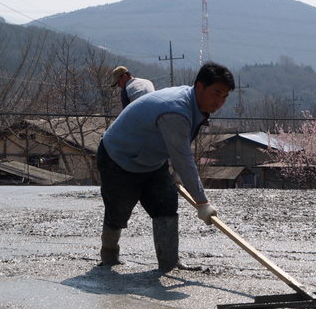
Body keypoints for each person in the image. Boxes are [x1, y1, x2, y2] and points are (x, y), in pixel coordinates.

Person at [97, 61, 235, 272]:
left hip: (152, 161)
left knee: (166, 206)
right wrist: (202, 202)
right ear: (199, 86)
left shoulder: (194, 105)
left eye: (224, 97)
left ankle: (169, 263)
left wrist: (177, 176)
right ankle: (109, 256)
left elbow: (180, 146)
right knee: (118, 211)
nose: (219, 102)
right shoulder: (176, 110)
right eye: (216, 94)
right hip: (118, 158)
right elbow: (183, 157)